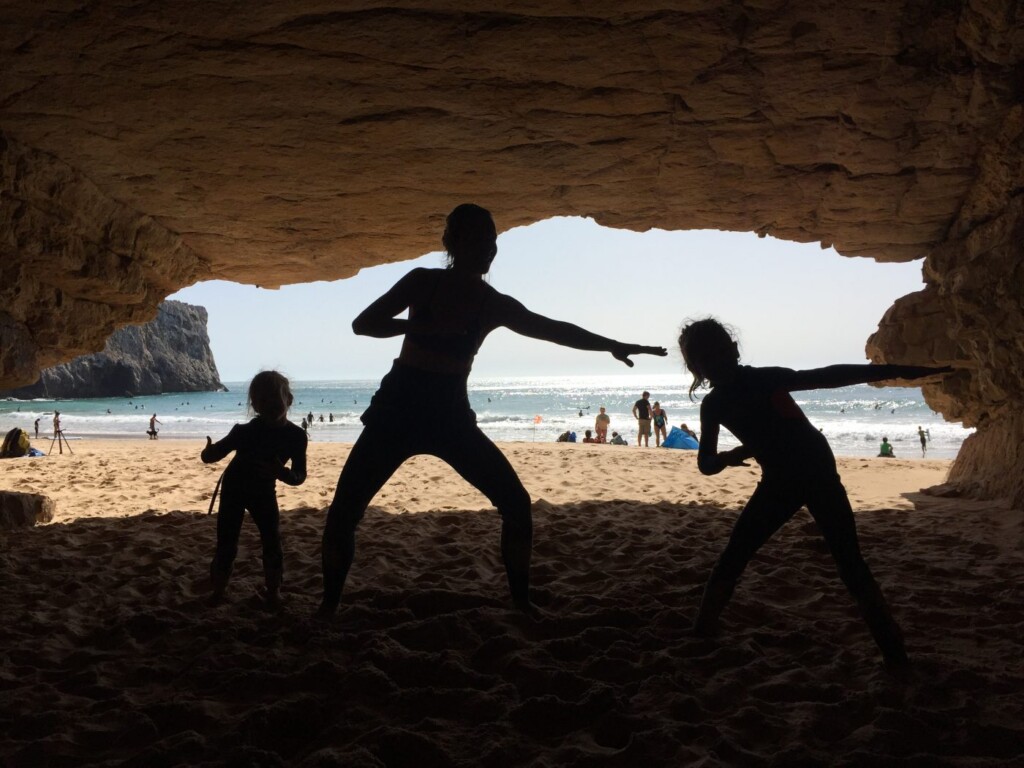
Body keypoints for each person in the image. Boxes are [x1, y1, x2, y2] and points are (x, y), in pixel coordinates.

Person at [317, 203, 666, 619]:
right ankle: (328, 607)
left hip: (450, 416)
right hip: (398, 409)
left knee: (516, 504)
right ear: (453, 243)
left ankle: (521, 601)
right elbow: (364, 323)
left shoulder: (490, 303)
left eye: (493, 240)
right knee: (344, 513)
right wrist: (421, 327)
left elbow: (554, 330)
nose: (489, 249)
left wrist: (612, 344)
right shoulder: (422, 282)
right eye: (480, 240)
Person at [678, 317, 951, 669]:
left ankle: (703, 631)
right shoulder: (749, 386)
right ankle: (894, 652)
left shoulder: (727, 397)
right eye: (710, 358)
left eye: (713, 356)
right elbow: (827, 376)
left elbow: (828, 375)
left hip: (800, 476)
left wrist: (900, 371)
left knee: (745, 555)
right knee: (843, 563)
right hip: (799, 474)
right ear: (727, 351)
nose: (716, 363)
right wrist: (898, 371)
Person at [201, 371, 307, 608]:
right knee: (227, 541)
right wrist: (207, 452)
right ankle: (218, 591)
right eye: (263, 401)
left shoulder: (297, 436)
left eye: (275, 399)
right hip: (233, 490)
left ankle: (273, 592)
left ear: (289, 399)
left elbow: (300, 476)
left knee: (272, 540)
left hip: (263, 492)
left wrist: (283, 474)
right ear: (255, 405)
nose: (269, 405)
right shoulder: (243, 431)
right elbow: (214, 455)